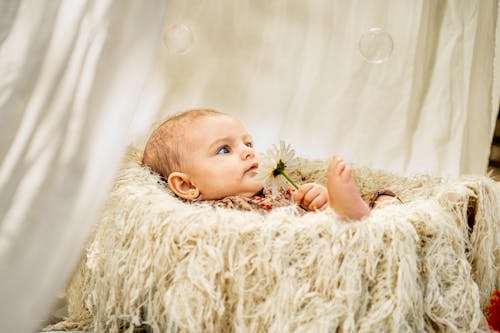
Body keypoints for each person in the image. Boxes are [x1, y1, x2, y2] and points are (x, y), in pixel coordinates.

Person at [142, 108, 399, 220]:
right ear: (187, 185)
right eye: (224, 149)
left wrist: (317, 199)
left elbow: (306, 205)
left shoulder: (276, 188)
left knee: (382, 199)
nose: (247, 153)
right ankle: (349, 216)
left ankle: (349, 208)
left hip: (317, 222)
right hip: (301, 243)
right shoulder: (217, 214)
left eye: (248, 144)